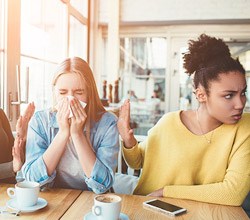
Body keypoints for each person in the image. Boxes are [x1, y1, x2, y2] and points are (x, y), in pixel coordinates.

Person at [117, 34, 250, 206]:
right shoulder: (169, 123)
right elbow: (137, 161)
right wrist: (128, 141)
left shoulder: (244, 126)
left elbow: (232, 194)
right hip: (147, 207)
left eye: (243, 93)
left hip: (200, 213)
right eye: (228, 95)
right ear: (201, 95)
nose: (240, 104)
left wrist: (167, 192)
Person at [21, 57, 119, 193]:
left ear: (89, 93)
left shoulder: (107, 123)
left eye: (79, 92)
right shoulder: (40, 121)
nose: (71, 100)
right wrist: (63, 134)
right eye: (62, 93)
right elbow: (32, 180)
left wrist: (77, 134)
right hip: (53, 199)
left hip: (93, 200)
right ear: (54, 92)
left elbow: (103, 184)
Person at [0, 103, 35, 182]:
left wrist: (22, 136)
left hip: (11, 184)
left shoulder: (0, 113)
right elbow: (15, 165)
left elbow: (12, 150)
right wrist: (11, 167)